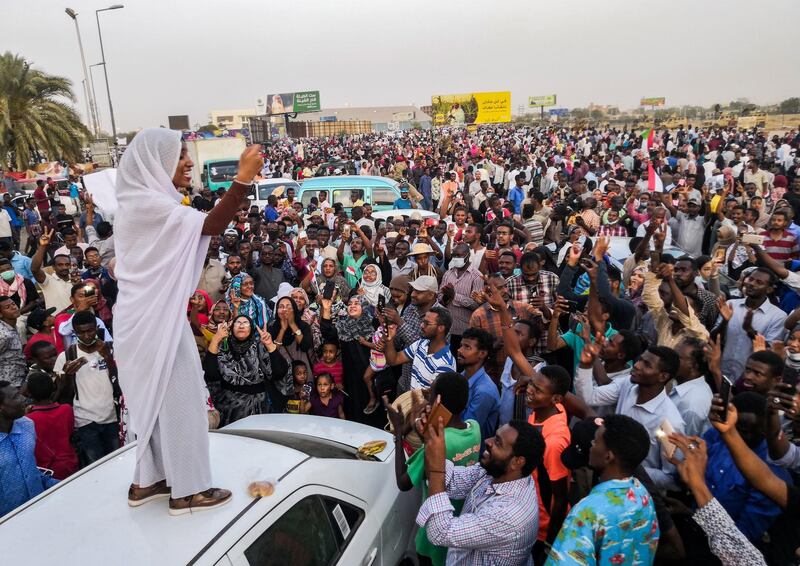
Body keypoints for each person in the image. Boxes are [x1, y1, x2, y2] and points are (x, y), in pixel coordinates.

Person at [113, 128, 263, 515]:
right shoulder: (148, 204)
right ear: (154, 164)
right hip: (153, 323)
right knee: (183, 404)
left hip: (144, 320)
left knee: (155, 406)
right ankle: (188, 490)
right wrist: (243, 178)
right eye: (179, 156)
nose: (189, 162)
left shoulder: (136, 204)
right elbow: (211, 225)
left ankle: (150, 480)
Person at [415, 417, 545, 565]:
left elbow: (440, 532)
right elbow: (452, 481)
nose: (487, 441)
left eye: (497, 442)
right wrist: (429, 441)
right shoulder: (497, 471)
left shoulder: (509, 516)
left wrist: (437, 469)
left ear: (517, 462)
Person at [385, 371, 481, 566]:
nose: (427, 392)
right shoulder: (474, 428)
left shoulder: (436, 446)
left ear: (437, 401)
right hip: (461, 526)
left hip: (433, 539)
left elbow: (403, 482)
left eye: (431, 391)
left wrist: (398, 432)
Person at [546, 415, 659, 566]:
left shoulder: (586, 512)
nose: (591, 445)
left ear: (608, 456)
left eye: (596, 441)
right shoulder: (643, 495)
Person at [575, 339, 685, 489]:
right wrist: (586, 365)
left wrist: (626, 470)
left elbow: (670, 478)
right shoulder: (628, 384)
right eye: (640, 360)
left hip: (636, 494)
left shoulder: (670, 422)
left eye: (647, 365)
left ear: (663, 377)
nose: (637, 366)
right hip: (604, 477)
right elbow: (589, 397)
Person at [53, 310, 119, 465]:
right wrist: (68, 374)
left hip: (112, 416)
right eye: (81, 332)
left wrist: (108, 358)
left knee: (117, 460)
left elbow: (120, 382)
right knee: (95, 465)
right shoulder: (66, 356)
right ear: (74, 332)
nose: (87, 336)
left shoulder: (110, 349)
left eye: (90, 330)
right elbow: (63, 394)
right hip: (85, 420)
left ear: (97, 328)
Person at [523, 366, 572, 557]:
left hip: (543, 529)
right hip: (530, 514)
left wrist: (549, 544)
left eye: (537, 390)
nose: (529, 390)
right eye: (531, 384)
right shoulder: (549, 409)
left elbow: (560, 498)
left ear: (556, 398)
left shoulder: (553, 443)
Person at [203, 315, 287, 425]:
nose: (241, 325)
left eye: (245, 323)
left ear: (251, 328)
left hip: (257, 409)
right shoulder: (223, 347)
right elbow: (210, 374)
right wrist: (216, 339)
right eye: (238, 322)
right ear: (232, 328)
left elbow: (279, 372)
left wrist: (269, 344)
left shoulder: (259, 346)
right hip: (228, 409)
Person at [0, 381, 59, 516]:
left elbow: (30, 469)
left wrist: (61, 485)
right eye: (15, 397)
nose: (23, 399)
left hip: (40, 509)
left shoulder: (27, 425)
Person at [720, 267, 786, 380]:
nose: (751, 284)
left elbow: (770, 353)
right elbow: (715, 337)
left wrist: (750, 330)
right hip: (721, 372)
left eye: (759, 282)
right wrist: (724, 322)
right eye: (750, 279)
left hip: (749, 379)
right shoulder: (731, 305)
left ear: (769, 289)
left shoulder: (778, 316)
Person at [385, 306, 456, 391]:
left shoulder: (446, 365)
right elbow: (394, 360)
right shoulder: (421, 344)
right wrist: (389, 339)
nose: (421, 325)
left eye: (427, 323)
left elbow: (434, 398)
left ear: (441, 328)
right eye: (423, 321)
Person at [24, 370, 79, 480]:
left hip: (47, 471)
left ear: (29, 393)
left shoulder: (28, 419)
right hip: (71, 464)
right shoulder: (66, 410)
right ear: (53, 388)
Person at [457, 327, 500, 443]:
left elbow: (467, 431)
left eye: (467, 347)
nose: (460, 350)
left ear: (482, 354)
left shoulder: (484, 391)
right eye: (461, 345)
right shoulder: (461, 377)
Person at [439, 243, 483, 354]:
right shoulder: (448, 274)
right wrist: (445, 297)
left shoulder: (477, 277)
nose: (455, 258)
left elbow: (477, 305)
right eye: (454, 256)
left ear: (467, 256)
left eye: (459, 255)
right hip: (446, 329)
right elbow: (439, 299)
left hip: (464, 331)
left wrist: (455, 296)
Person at [31, 230, 73, 313]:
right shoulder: (48, 281)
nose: (64, 267)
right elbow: (34, 269)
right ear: (53, 267)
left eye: (67, 264)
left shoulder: (77, 280)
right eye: (60, 265)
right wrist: (42, 246)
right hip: (56, 322)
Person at [0, 295, 26, 387]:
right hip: (8, 384)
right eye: (7, 307)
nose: (13, 307)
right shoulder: (4, 335)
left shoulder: (14, 327)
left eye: (13, 304)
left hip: (19, 376)